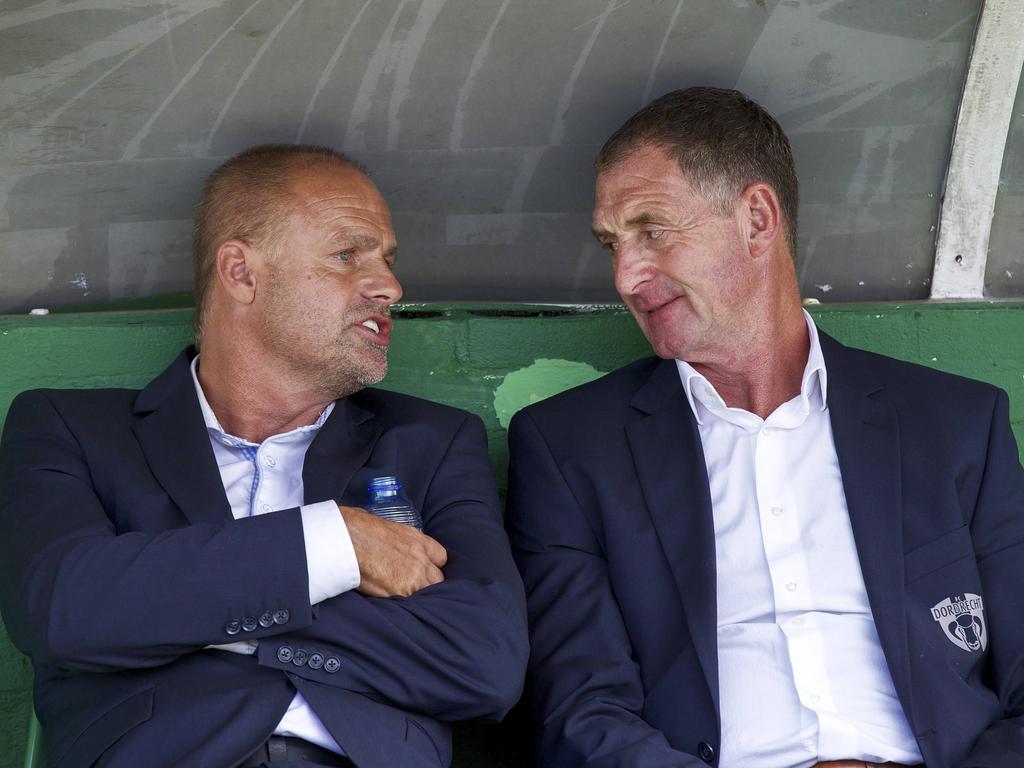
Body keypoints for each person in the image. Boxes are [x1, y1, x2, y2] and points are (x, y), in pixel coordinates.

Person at [506, 87, 1024, 768]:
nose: (627, 276)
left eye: (652, 229)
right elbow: (581, 710)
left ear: (756, 219)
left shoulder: (953, 424)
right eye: (612, 244)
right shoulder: (572, 449)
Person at [0, 144, 528, 768]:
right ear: (242, 272)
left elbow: (485, 663)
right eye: (345, 254)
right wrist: (334, 548)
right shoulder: (69, 428)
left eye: (386, 259)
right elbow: (67, 612)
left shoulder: (433, 442)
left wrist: (191, 612)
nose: (389, 285)